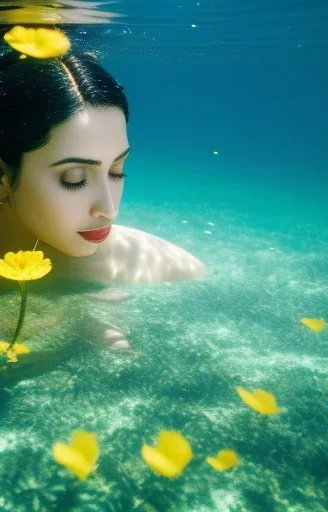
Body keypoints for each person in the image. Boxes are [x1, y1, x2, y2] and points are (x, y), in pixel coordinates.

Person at [0, 26, 207, 349]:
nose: (108, 210)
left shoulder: (158, 266)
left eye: (116, 170)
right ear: (3, 176)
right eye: (74, 178)